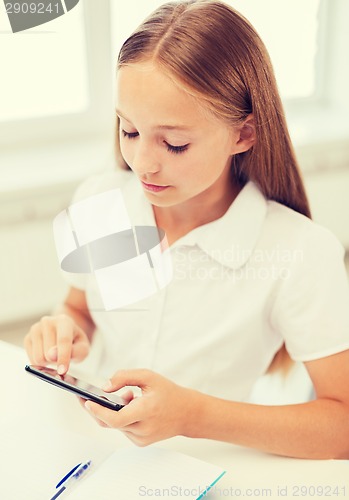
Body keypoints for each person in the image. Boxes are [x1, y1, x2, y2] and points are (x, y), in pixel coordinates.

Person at [24, 0, 349, 459]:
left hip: (208, 468)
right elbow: (80, 308)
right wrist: (64, 328)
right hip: (90, 452)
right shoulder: (100, 201)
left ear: (244, 134)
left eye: (174, 143)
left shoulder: (300, 252)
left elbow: (343, 425)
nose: (143, 163)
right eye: (129, 131)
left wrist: (193, 415)